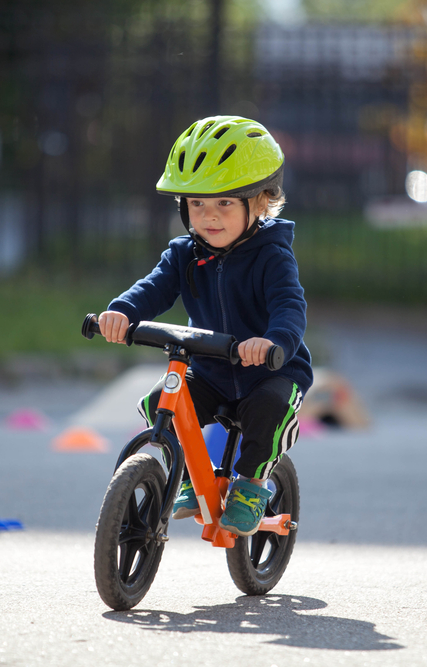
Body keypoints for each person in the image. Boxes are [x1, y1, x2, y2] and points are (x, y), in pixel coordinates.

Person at [97, 115, 313, 537]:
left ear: (262, 201)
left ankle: (251, 486)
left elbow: (290, 304)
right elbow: (154, 288)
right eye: (197, 204)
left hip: (269, 371)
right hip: (212, 370)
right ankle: (189, 477)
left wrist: (273, 341)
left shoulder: (272, 256)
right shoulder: (184, 253)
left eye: (225, 204)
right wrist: (123, 311)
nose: (209, 217)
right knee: (161, 401)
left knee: (270, 408)